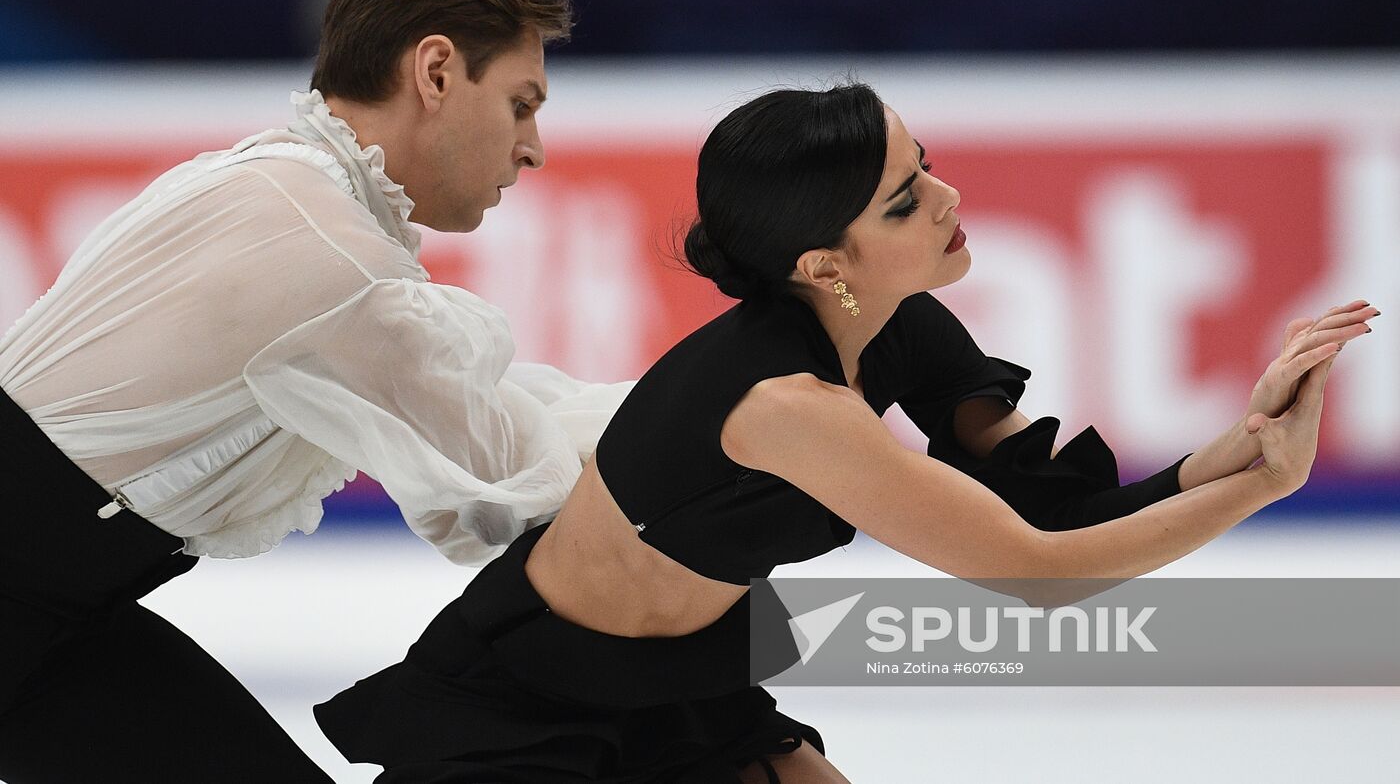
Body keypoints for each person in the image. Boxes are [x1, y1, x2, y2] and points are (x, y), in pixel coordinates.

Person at [315, 83, 1377, 783]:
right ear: (824, 265)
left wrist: (1231, 449)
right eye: (906, 199)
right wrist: (1256, 492)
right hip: (520, 707)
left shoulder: (904, 327)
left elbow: (1041, 504)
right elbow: (1040, 574)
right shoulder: (783, 408)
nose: (950, 199)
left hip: (687, 682)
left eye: (927, 166)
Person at [0, 0, 631, 783]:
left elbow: (495, 409)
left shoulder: (275, 188)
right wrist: (744, 440)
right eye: (522, 104)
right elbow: (505, 489)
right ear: (436, 72)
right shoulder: (329, 258)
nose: (534, 147)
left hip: (59, 610)